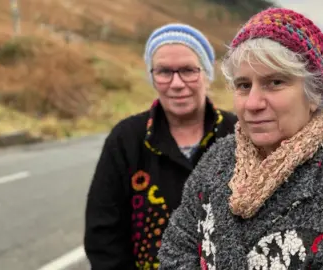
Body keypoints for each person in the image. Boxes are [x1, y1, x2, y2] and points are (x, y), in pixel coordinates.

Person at [157, 8, 323, 269]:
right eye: (244, 85)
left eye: (275, 82)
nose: (253, 103)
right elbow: (177, 248)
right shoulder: (218, 160)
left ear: (314, 93)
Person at [84, 23, 237, 270]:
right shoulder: (126, 139)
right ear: (152, 76)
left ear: (207, 74)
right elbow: (104, 233)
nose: (176, 84)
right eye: (164, 71)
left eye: (188, 70)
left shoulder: (238, 133)